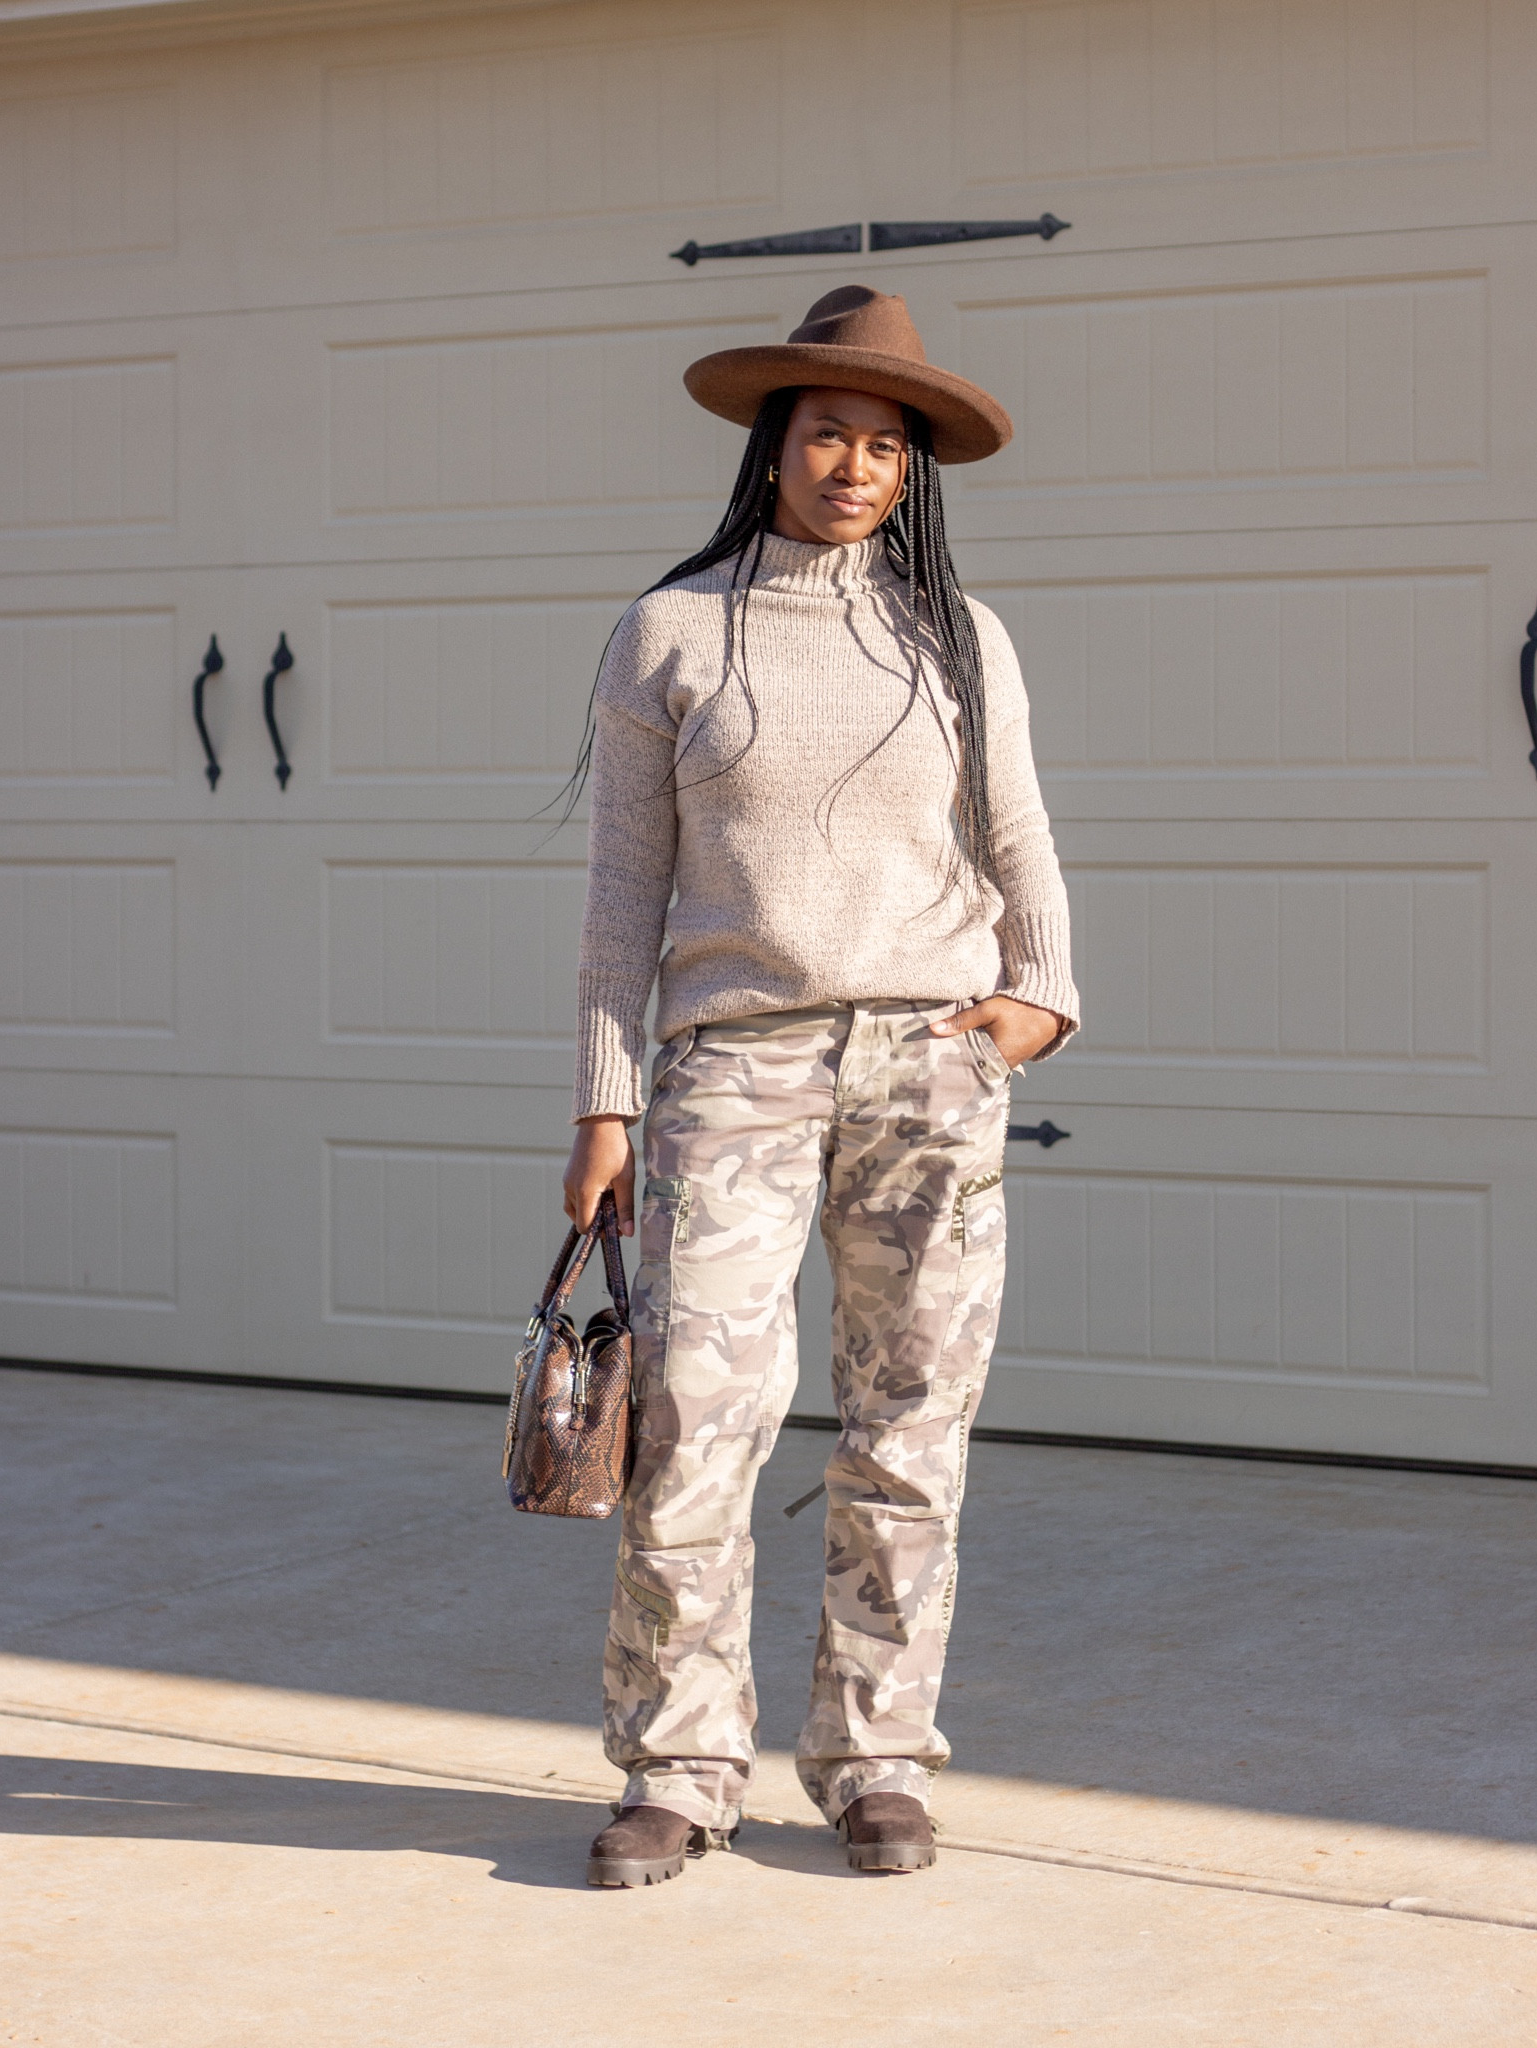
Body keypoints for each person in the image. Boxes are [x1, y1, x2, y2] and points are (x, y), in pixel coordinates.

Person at [561, 285, 1079, 1886]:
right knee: (698, 1425)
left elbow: (1020, 845)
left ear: (916, 469)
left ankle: (874, 1756)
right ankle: (678, 1761)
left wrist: (1032, 1007)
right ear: (772, 445)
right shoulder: (673, 631)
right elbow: (619, 900)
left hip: (928, 1069)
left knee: (913, 1429)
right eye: (827, 431)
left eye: (885, 442)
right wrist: (605, 1104)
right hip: (736, 1069)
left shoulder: (961, 639)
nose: (855, 463)